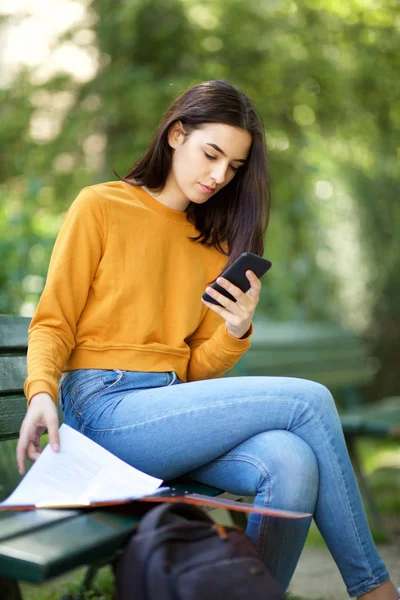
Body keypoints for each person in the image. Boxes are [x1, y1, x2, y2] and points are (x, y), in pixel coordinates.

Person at [16, 80, 398, 599]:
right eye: (211, 154)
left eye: (234, 167)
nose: (219, 176)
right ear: (177, 135)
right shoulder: (101, 206)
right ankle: (375, 590)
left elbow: (194, 370)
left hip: (167, 411)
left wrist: (235, 330)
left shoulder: (211, 243)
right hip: (103, 409)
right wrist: (41, 392)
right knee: (310, 400)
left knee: (290, 460)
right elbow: (53, 320)